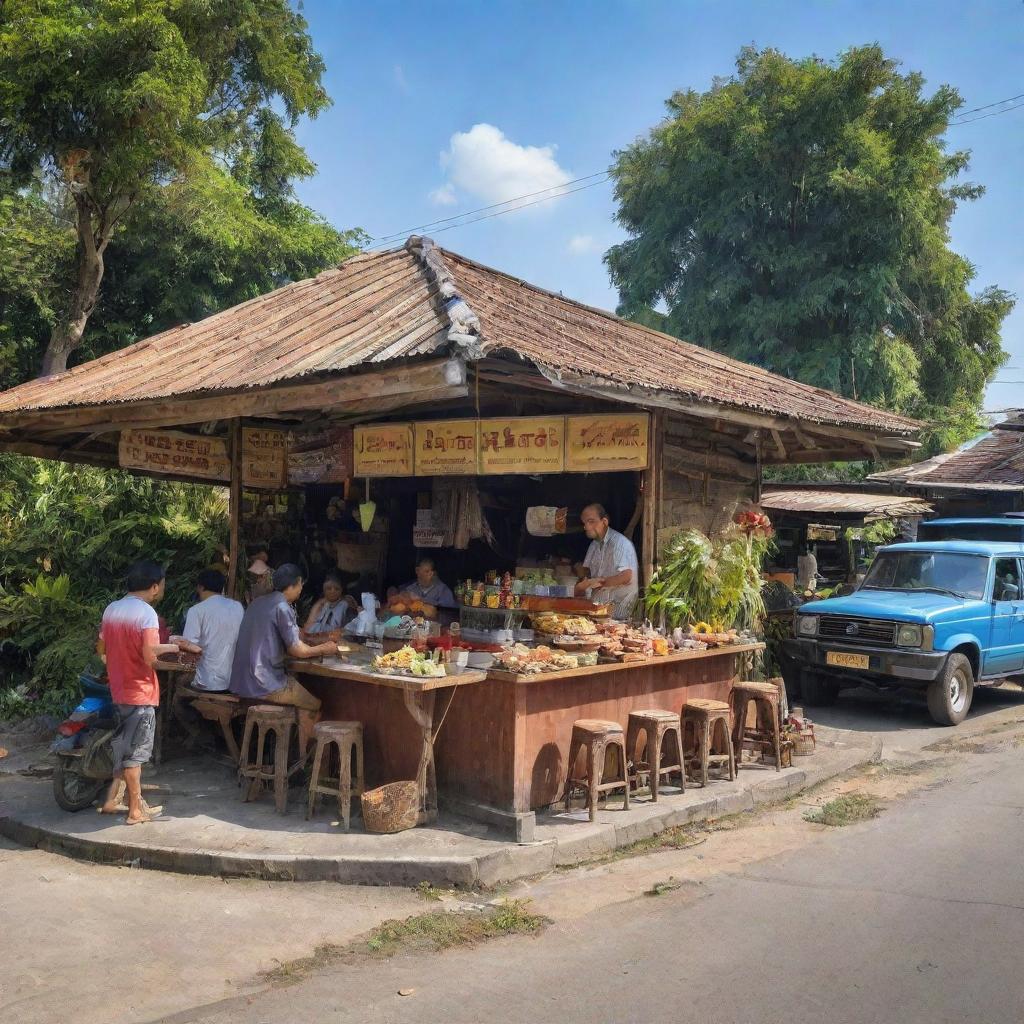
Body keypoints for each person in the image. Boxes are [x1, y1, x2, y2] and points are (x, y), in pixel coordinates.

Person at [97, 561, 196, 824]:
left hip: (118, 688)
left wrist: (120, 661)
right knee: (136, 754)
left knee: (123, 746)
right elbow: (150, 656)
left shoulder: (112, 609)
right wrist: (177, 647)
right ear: (154, 587)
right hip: (140, 690)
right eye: (162, 585)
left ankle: (112, 800)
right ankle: (135, 811)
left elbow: (101, 650)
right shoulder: (147, 614)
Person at [229, 564, 337, 751]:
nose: (301, 589)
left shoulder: (257, 603)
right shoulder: (282, 607)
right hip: (264, 683)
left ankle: (286, 755)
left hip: (241, 682)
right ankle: (303, 761)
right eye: (301, 585)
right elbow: (297, 650)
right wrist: (323, 649)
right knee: (313, 704)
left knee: (295, 691)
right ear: (295, 584)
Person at [180, 570, 244, 692]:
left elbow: (189, 646)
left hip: (205, 682)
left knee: (179, 683)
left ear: (200, 587)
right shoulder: (238, 607)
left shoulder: (196, 611)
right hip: (234, 681)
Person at [575, 503, 639, 619]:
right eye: (585, 523)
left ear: (604, 521)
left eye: (591, 521)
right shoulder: (594, 545)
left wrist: (599, 582)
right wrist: (582, 581)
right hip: (598, 613)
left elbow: (626, 576)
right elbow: (586, 572)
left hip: (618, 615)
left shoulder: (619, 543)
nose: (586, 527)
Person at [302, 570, 356, 639]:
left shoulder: (345, 604)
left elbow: (349, 629)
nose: (332, 591)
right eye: (328, 588)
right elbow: (308, 626)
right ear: (323, 589)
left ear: (342, 590)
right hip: (315, 638)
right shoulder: (320, 604)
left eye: (337, 589)